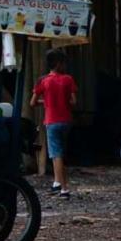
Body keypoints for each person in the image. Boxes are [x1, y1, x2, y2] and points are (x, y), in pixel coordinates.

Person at [32, 52, 79, 196]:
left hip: (51, 121)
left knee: (56, 154)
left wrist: (45, 102)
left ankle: (63, 188)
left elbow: (32, 102)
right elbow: (74, 102)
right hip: (66, 121)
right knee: (60, 153)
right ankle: (57, 182)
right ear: (58, 63)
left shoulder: (43, 81)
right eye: (63, 63)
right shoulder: (68, 79)